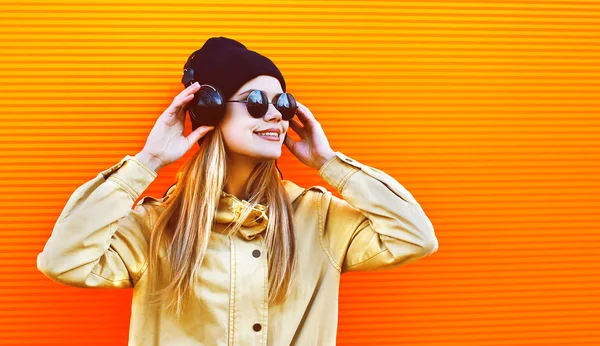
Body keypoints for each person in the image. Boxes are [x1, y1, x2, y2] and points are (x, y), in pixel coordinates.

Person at [36, 36, 439, 346]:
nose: (275, 115)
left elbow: (415, 238)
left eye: (283, 102)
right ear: (211, 108)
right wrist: (148, 162)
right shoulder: (157, 226)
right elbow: (63, 262)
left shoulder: (318, 218)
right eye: (256, 101)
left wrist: (328, 163)